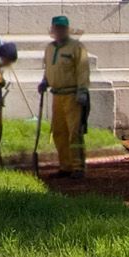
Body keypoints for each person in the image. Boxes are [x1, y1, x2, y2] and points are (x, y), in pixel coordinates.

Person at [41, 15, 93, 179]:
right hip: (57, 95)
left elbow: (82, 70)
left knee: (74, 132)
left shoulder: (76, 47)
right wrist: (45, 81)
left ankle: (78, 166)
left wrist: (82, 90)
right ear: (53, 30)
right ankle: (65, 166)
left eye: (62, 28)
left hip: (73, 95)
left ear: (66, 30)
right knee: (59, 132)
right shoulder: (50, 48)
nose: (59, 31)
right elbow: (49, 67)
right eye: (57, 28)